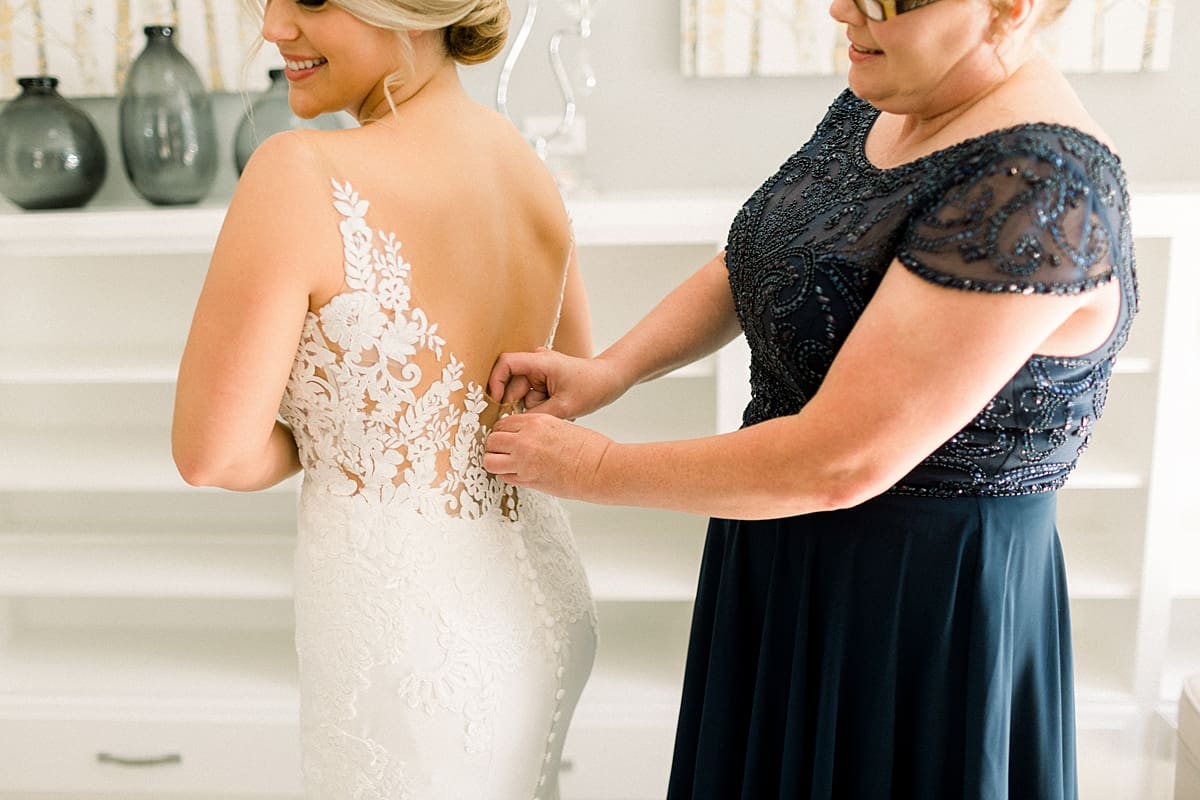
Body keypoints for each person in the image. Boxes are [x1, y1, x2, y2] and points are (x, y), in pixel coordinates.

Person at [483, 0, 1134, 797]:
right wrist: (614, 369)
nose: (841, 10)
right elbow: (766, 252)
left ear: (1008, 7)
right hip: (786, 546)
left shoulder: (1038, 187)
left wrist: (597, 470)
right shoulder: (891, 92)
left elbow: (842, 459)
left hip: (915, 614)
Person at [171, 0, 596, 796]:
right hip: (546, 609)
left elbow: (213, 453)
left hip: (405, 644)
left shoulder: (297, 172)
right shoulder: (522, 161)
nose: (273, 26)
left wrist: (348, 428)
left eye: (311, 0)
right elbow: (572, 374)